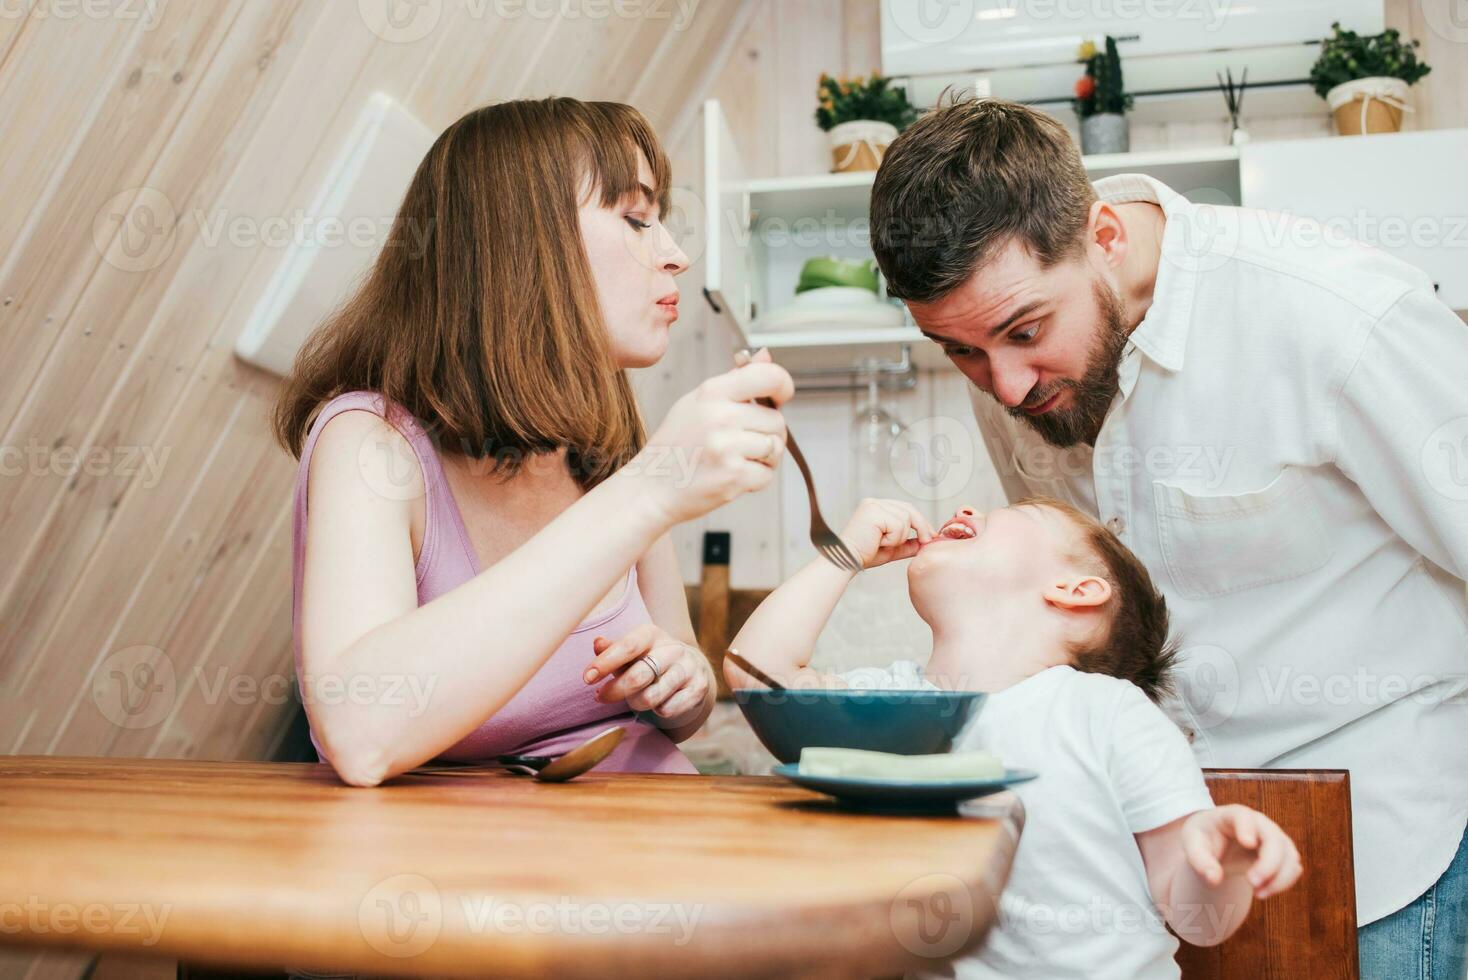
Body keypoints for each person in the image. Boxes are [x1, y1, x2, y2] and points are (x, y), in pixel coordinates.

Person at [867, 94, 1468, 976]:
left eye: (1023, 333)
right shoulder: (1009, 354)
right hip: (1152, 864)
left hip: (1379, 864)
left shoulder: (1334, 314)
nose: (1001, 386)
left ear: (1104, 235)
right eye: (959, 352)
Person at [275, 97, 794, 788]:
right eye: (638, 219)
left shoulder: (604, 442)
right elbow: (362, 735)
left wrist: (687, 682)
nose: (674, 254)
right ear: (521, 244)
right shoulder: (370, 444)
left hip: (649, 844)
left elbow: (680, 705)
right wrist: (651, 491)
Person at [726, 496, 1302, 978]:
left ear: (1076, 589)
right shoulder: (895, 703)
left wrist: (1221, 866)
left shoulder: (1104, 712)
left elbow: (1199, 921)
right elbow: (757, 673)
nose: (970, 506)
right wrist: (842, 552)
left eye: (1012, 511)